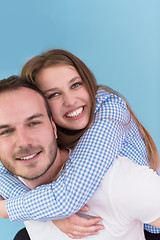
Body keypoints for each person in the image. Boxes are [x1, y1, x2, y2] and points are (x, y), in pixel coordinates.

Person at [0, 49, 159, 239]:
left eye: (75, 85)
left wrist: (6, 209)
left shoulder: (109, 114)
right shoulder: (39, 144)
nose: (71, 100)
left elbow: (65, 199)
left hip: (148, 224)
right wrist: (47, 215)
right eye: (53, 95)